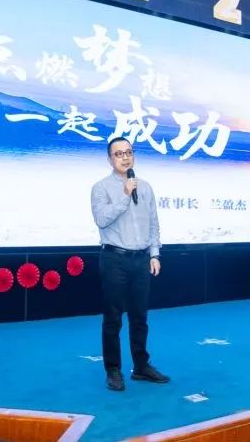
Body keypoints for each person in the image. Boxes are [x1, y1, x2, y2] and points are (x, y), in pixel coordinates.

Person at [91, 137, 170, 391]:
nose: (125, 157)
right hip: (114, 258)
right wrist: (125, 196)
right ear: (110, 159)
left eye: (128, 152)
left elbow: (153, 223)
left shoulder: (145, 187)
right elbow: (101, 219)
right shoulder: (101, 188)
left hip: (141, 259)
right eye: (119, 154)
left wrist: (155, 254)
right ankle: (113, 370)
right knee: (113, 318)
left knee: (140, 317)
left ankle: (141, 366)